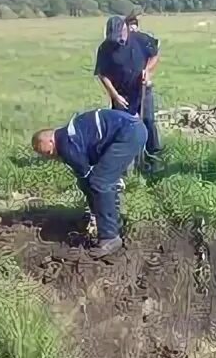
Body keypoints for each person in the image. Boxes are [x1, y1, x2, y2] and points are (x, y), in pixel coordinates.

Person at [31, 109, 147, 259]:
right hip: (129, 129)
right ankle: (112, 222)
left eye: (46, 152)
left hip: (128, 134)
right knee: (101, 181)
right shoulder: (68, 135)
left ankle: (110, 237)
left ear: (50, 141)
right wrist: (95, 212)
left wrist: (95, 212)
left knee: (100, 182)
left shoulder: (66, 145)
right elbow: (84, 180)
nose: (48, 157)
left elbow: (89, 180)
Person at [94, 15, 162, 173]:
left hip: (142, 90)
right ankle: (124, 162)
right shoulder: (105, 48)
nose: (117, 41)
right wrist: (115, 96)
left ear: (125, 30)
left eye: (120, 36)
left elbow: (155, 54)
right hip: (121, 95)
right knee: (122, 126)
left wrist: (148, 71)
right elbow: (102, 74)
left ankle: (154, 157)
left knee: (148, 121)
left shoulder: (140, 39)